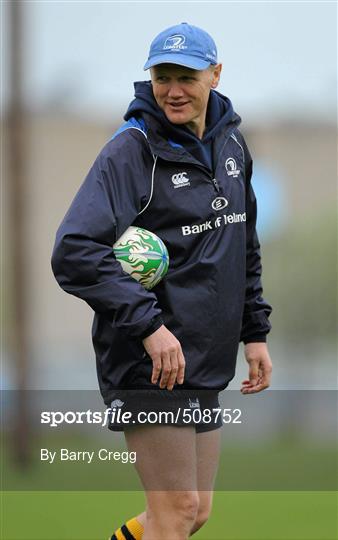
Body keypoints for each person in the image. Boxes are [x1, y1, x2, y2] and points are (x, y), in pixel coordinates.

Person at [52, 22, 272, 540]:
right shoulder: (130, 153)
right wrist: (148, 326)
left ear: (215, 75)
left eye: (187, 77)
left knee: (192, 514)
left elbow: (244, 244)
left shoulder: (233, 147)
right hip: (148, 359)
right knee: (176, 512)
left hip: (203, 358)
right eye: (162, 76)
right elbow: (74, 251)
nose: (173, 89)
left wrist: (254, 330)